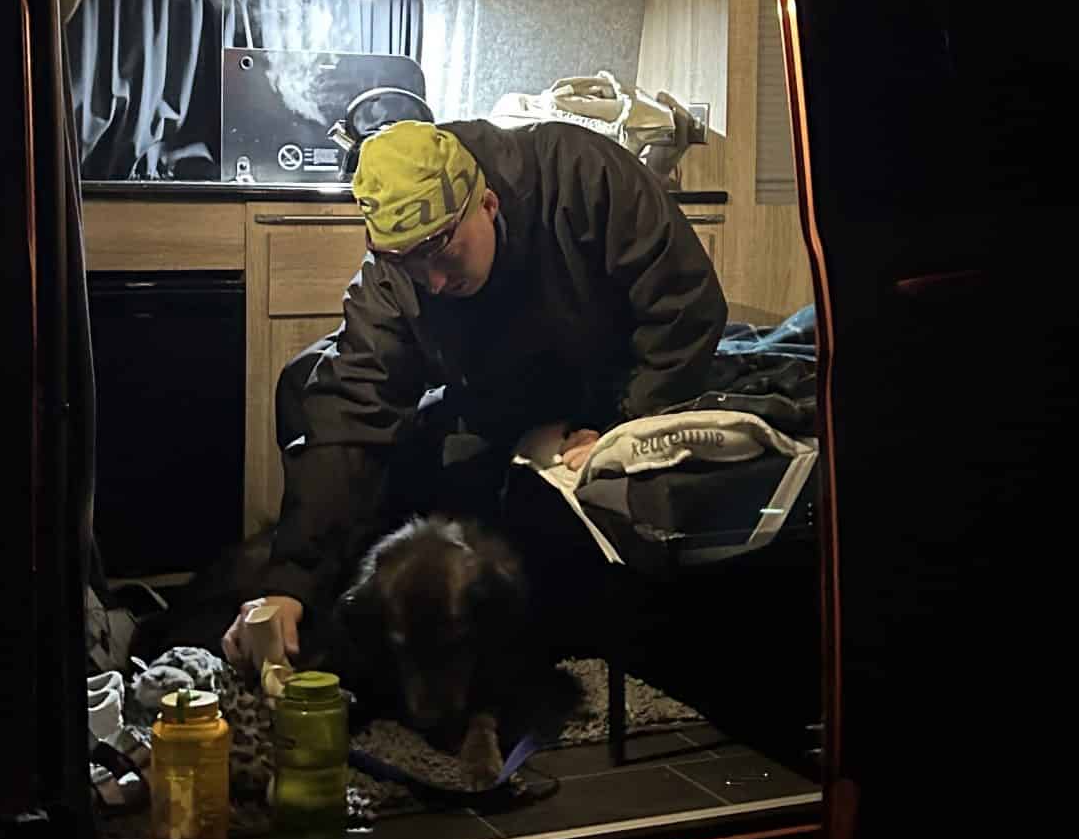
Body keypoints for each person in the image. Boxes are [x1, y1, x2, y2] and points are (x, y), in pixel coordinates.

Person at [224, 116, 726, 670]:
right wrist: (289, 583)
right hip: (498, 399)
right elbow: (353, 405)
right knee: (312, 381)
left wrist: (619, 424)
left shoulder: (584, 175)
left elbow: (684, 306)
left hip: (612, 387)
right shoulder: (400, 275)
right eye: (409, 261)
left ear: (486, 204)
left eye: (442, 251)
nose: (433, 281)